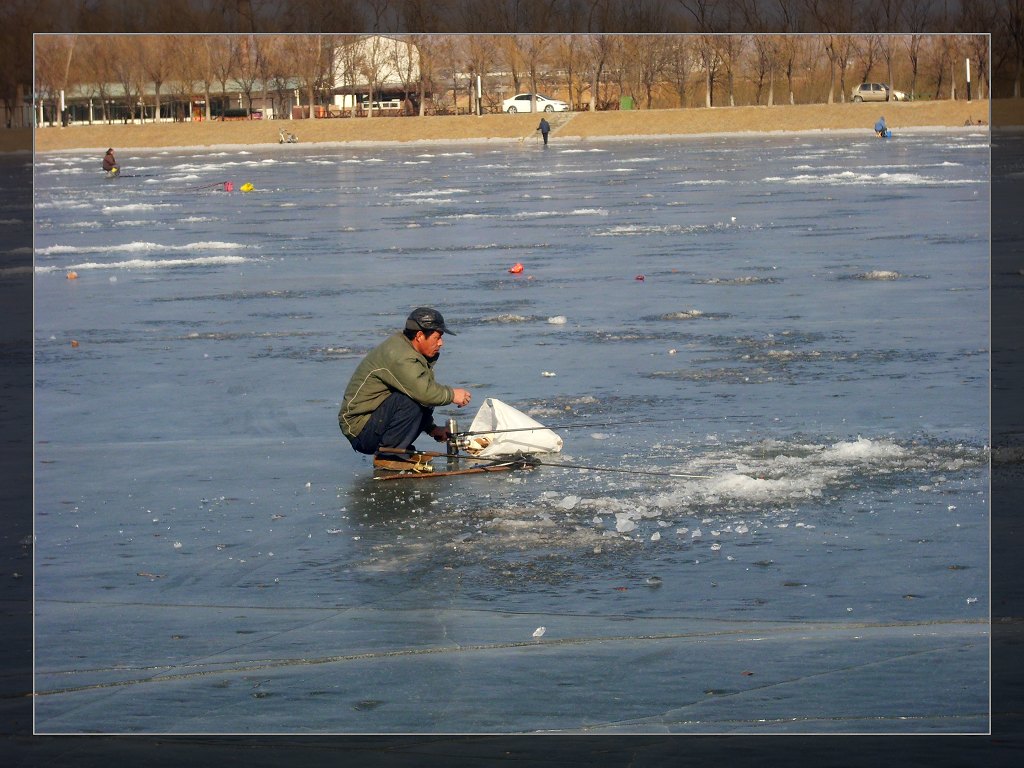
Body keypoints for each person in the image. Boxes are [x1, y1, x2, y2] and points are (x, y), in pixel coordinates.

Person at [338, 307, 472, 471]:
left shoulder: (410, 351)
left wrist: (432, 429)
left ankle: (399, 450)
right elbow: (422, 393)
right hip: (360, 430)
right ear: (420, 336)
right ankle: (388, 456)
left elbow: (420, 394)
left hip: (375, 421)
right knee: (421, 394)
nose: (440, 343)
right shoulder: (400, 355)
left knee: (422, 393)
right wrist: (452, 394)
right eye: (437, 337)